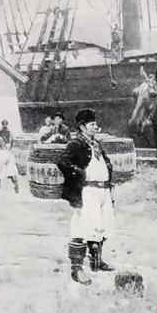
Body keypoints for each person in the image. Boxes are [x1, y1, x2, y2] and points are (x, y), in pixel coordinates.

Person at [57, 108, 115, 285]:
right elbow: (63, 162)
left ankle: (96, 262)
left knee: (103, 225)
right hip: (87, 191)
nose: (95, 127)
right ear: (82, 127)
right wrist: (79, 173)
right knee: (83, 228)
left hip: (103, 191)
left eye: (95, 124)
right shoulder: (76, 144)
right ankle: (77, 269)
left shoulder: (96, 144)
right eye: (92, 124)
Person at [0, 119, 19, 193]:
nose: (4, 125)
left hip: (7, 151)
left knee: (11, 169)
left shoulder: (10, 133)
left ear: (7, 124)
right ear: (2, 124)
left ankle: (16, 186)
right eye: (3, 124)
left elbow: (12, 142)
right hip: (0, 152)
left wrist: (9, 150)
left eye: (6, 124)